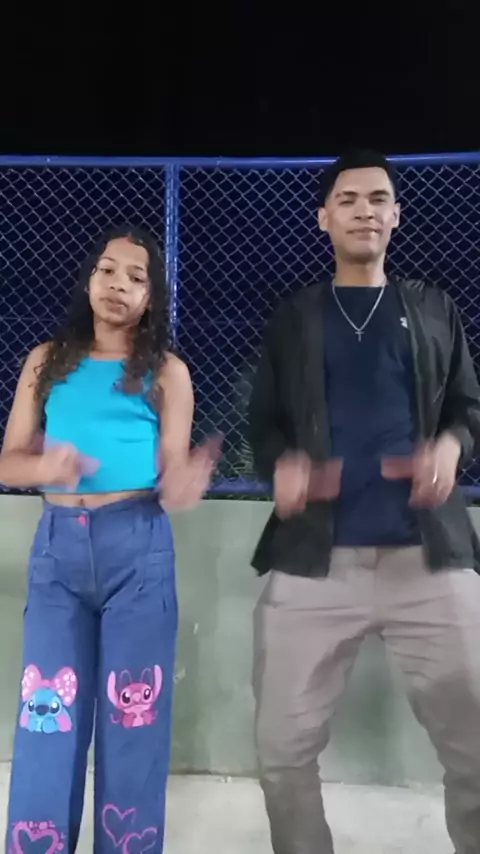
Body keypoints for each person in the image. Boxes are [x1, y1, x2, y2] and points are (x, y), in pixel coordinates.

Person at [248, 149, 480, 854]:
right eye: (347, 200)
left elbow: (466, 409)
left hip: (429, 558)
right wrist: (281, 466)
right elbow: (264, 423)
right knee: (281, 754)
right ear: (324, 218)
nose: (364, 211)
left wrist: (450, 449)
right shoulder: (294, 317)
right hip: (315, 561)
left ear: (396, 215)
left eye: (378, 199)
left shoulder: (434, 308)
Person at [0, 226, 219, 853]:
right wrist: (46, 465)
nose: (118, 284)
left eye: (136, 276)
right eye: (107, 270)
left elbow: (171, 473)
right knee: (48, 717)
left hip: (137, 552)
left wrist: (184, 482)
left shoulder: (167, 373)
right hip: (58, 554)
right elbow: (9, 461)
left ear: (152, 296)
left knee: (134, 720)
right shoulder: (45, 362)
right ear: (89, 281)